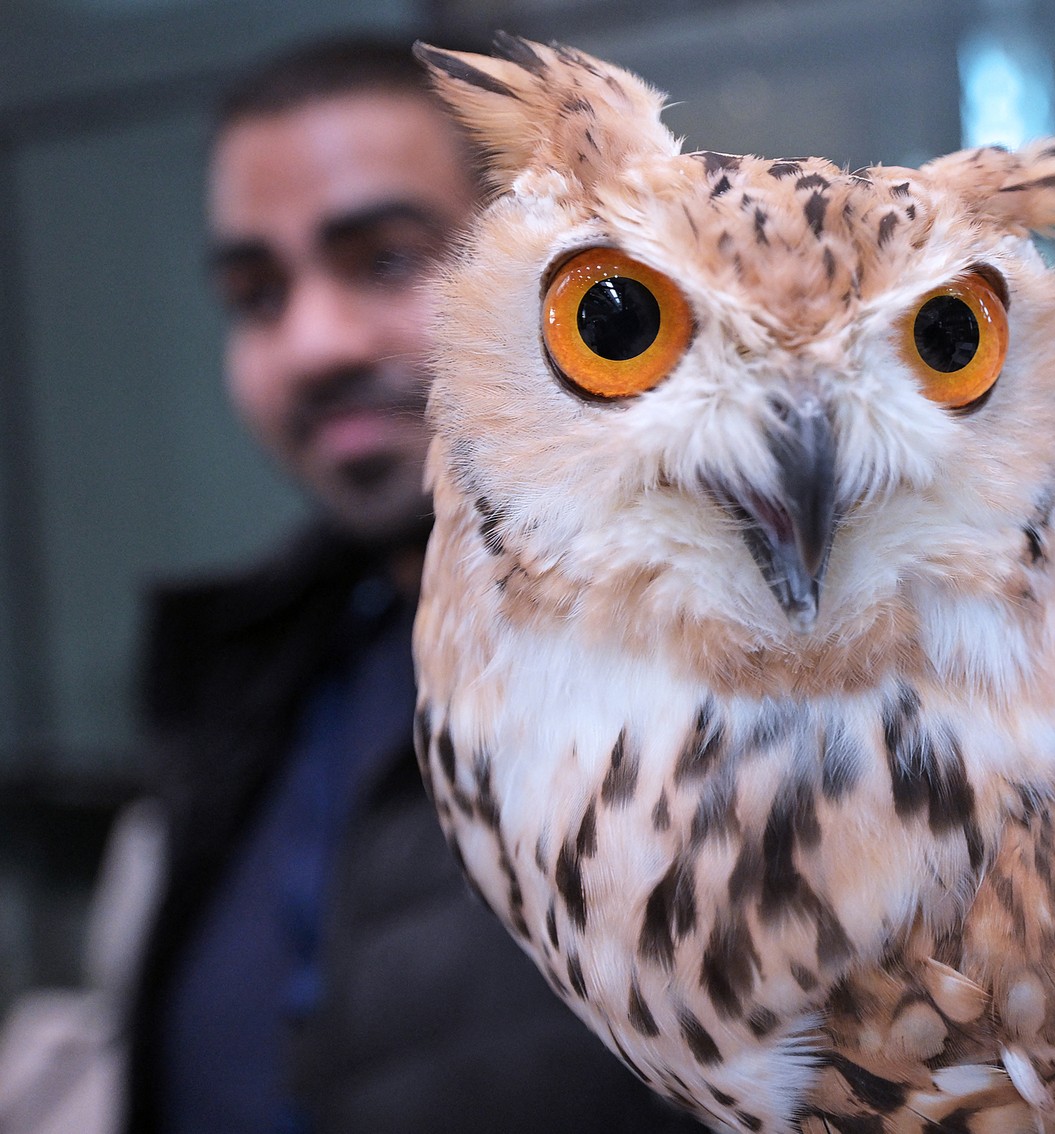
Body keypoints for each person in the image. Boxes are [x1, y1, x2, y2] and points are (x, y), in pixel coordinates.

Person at [123, 37, 706, 1134]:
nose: (311, 343)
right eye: (255, 295)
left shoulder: (746, 679)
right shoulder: (254, 663)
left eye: (385, 261)